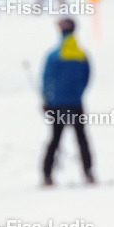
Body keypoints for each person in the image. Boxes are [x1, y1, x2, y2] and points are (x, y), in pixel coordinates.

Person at [41, 18, 94, 186]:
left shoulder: (53, 55)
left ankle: (47, 174)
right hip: (75, 103)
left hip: (57, 104)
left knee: (55, 138)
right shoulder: (82, 54)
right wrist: (78, 93)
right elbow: (87, 77)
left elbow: (46, 79)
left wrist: (47, 100)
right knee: (82, 139)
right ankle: (88, 173)